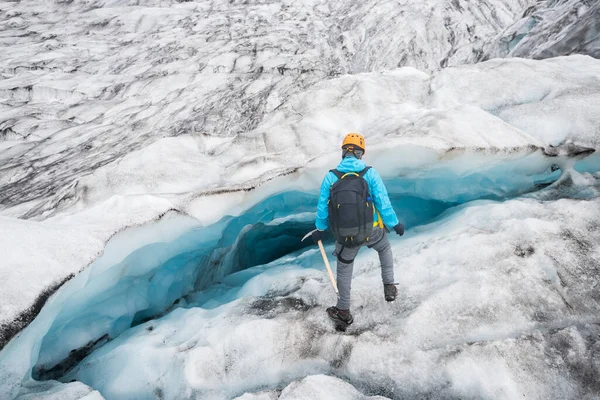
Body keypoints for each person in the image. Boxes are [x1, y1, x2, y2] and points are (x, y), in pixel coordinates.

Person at [311, 133, 404, 327]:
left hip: (345, 237)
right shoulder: (369, 173)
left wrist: (320, 229)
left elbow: (322, 207)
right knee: (384, 249)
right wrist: (394, 224)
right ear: (361, 153)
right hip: (372, 232)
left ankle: (343, 310)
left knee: (344, 269)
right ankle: (389, 287)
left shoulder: (331, 176)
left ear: (344, 152)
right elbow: (382, 202)